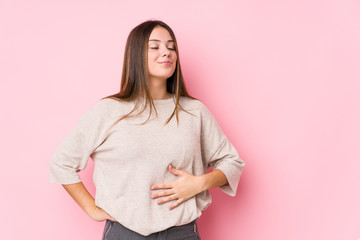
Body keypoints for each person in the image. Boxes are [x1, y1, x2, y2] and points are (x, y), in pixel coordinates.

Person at [49, 19, 245, 240]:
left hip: (183, 233)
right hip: (125, 233)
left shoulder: (194, 111)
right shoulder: (109, 111)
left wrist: (199, 183)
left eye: (171, 47)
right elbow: (62, 162)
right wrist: (92, 209)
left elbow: (232, 162)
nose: (166, 52)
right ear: (136, 56)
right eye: (155, 47)